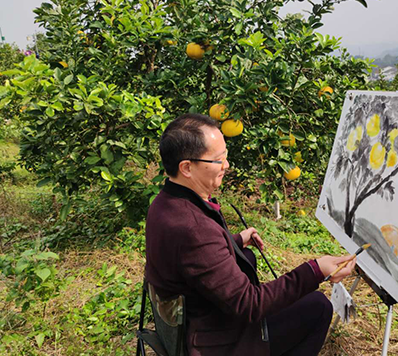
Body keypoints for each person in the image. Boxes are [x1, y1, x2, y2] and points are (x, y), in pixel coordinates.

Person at [144, 113, 356, 356]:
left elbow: (193, 258)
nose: (226, 165)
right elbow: (250, 305)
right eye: (218, 159)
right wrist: (315, 269)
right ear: (187, 168)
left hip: (194, 317)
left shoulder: (165, 203)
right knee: (318, 306)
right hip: (214, 340)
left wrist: (234, 241)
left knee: (245, 256)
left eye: (226, 156)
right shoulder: (194, 228)